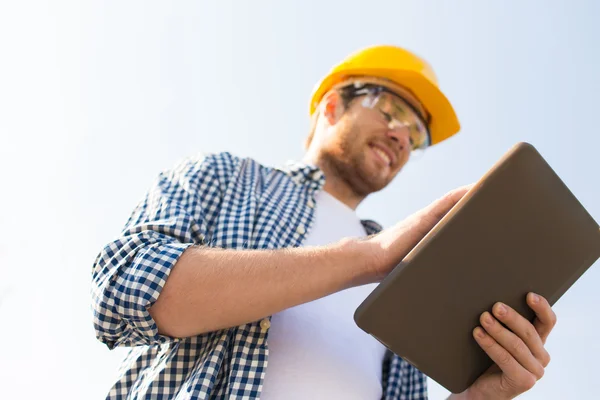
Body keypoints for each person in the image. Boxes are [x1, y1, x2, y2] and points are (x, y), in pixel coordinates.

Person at [91, 45, 556, 399]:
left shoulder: (408, 276)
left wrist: (475, 397)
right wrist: (368, 257)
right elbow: (123, 291)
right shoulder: (224, 176)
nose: (401, 136)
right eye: (391, 109)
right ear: (333, 106)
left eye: (415, 134)